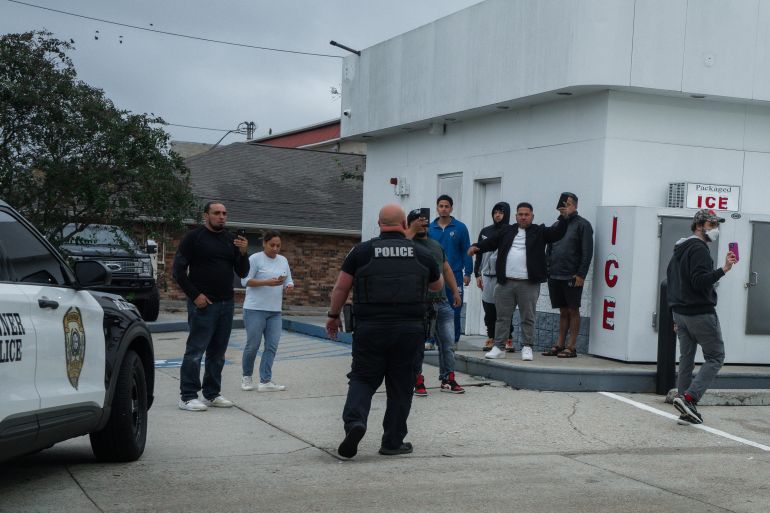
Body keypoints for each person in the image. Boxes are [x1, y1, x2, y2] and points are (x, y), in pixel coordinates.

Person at [327, 204, 443, 458]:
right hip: (409, 329)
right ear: (404, 224)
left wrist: (333, 316)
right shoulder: (422, 254)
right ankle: (392, 442)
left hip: (370, 328)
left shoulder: (361, 252)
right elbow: (437, 285)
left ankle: (355, 422)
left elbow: (341, 288)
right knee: (401, 385)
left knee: (363, 379)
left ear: (379, 224)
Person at [468, 201, 570, 361]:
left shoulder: (539, 231)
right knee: (502, 317)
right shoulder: (506, 231)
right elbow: (491, 242)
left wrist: (564, 217)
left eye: (526, 214)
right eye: (520, 214)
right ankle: (498, 347)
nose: (523, 217)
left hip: (528, 284)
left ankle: (527, 347)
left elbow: (556, 233)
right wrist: (477, 246)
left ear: (532, 216)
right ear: (516, 216)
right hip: (505, 283)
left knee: (527, 317)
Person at [173, 201, 250, 411]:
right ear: (206, 215)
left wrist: (243, 253)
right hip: (204, 304)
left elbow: (242, 273)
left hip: (226, 303)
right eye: (217, 213)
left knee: (218, 352)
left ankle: (212, 393)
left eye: (224, 213)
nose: (222, 217)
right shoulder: (193, 238)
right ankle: (187, 396)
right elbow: (178, 271)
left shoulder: (231, 239)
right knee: (196, 350)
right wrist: (195, 295)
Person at [667, 208, 736, 425]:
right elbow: (700, 281)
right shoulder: (698, 249)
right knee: (715, 356)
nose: (716, 229)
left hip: (680, 313)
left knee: (686, 359)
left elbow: (671, 281)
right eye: (712, 224)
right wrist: (724, 269)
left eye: (717, 225)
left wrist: (673, 314)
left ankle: (684, 408)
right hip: (699, 312)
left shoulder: (680, 248)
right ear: (699, 226)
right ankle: (689, 398)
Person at [406, 208, 464, 397]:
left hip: (442, 302)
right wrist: (411, 231)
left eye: (425, 221)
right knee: (417, 345)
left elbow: (446, 269)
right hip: (419, 304)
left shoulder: (435, 245)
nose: (423, 223)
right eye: (418, 220)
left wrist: (455, 291)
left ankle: (448, 379)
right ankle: (417, 379)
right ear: (411, 223)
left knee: (447, 343)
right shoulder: (405, 244)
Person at [240, 230, 294, 393]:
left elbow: (288, 279)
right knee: (253, 345)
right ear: (264, 243)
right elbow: (245, 281)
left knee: (272, 346)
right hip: (254, 309)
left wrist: (289, 286)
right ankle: (247, 377)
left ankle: (265, 381)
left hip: (275, 311)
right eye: (272, 245)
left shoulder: (283, 260)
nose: (275, 248)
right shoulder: (255, 259)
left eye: (278, 245)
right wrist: (267, 283)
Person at [543, 193, 593, 358]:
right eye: (563, 205)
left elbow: (587, 252)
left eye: (569, 204)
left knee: (573, 310)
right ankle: (559, 344)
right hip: (555, 275)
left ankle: (571, 347)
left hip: (572, 276)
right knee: (562, 311)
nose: (566, 207)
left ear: (576, 206)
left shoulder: (583, 225)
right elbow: (549, 249)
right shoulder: (557, 224)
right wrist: (548, 270)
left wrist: (581, 274)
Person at [428, 195, 473, 343]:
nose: (443, 209)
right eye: (441, 206)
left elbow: (466, 250)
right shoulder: (430, 228)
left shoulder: (460, 228)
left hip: (455, 274)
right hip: (434, 275)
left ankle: (453, 341)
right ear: (437, 208)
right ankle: (432, 341)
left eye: (446, 206)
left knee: (455, 307)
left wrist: (468, 272)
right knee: (433, 307)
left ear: (451, 208)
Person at [474, 202, 514, 352]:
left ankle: (508, 339)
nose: (497, 215)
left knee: (504, 310)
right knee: (489, 309)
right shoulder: (485, 231)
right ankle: (491, 337)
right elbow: (478, 251)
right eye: (495, 212)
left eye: (501, 212)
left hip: (503, 277)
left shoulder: (511, 231)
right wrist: (477, 273)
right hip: (487, 276)